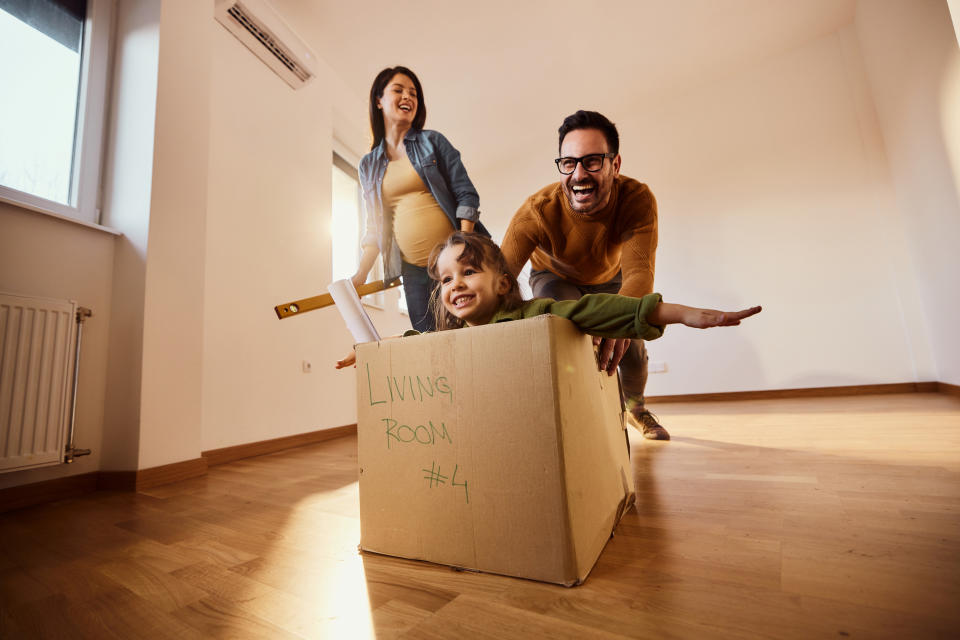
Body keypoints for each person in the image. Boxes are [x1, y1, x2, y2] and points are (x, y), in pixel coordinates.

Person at [335, 232, 760, 368]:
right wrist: (373, 354)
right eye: (446, 279)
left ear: (503, 284)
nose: (456, 285)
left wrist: (683, 313)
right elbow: (412, 344)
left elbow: (594, 310)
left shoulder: (533, 315)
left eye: (468, 271)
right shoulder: (450, 339)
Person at [500, 110, 669, 439]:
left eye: (592, 161)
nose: (579, 174)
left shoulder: (637, 200)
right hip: (554, 276)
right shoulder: (536, 211)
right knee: (572, 325)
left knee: (630, 345)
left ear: (615, 165)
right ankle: (582, 415)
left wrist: (623, 323)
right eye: (569, 162)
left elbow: (639, 274)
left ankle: (635, 408)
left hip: (612, 277)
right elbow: (498, 281)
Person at [351, 66, 489, 332]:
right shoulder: (368, 165)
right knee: (430, 342)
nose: (408, 97)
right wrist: (362, 273)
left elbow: (466, 193)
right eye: (399, 90)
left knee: (472, 334)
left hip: (455, 262)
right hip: (413, 271)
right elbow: (375, 227)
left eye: (413, 93)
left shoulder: (432, 142)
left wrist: (461, 247)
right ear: (379, 100)